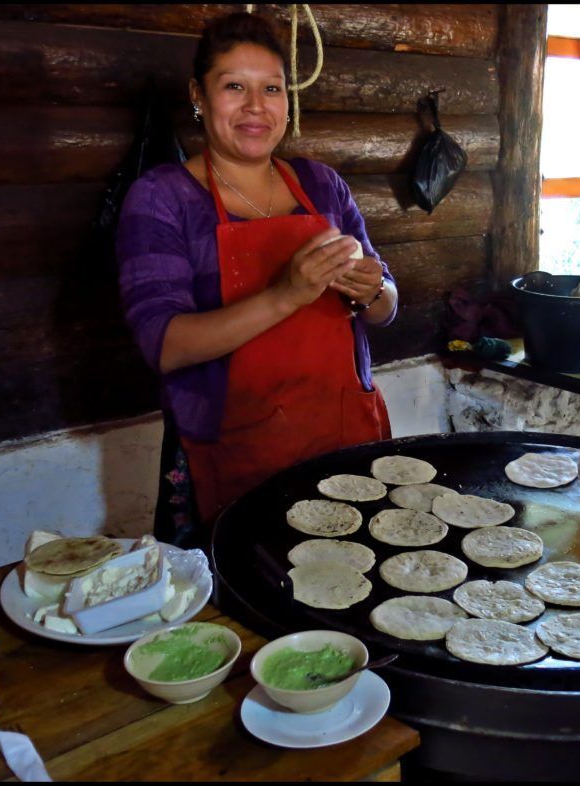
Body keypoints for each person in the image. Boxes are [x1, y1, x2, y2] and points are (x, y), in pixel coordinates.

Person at [117, 13, 397, 547]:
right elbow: (164, 345)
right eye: (234, 87)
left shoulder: (322, 183)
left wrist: (373, 290)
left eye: (271, 88)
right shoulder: (163, 198)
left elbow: (387, 302)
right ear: (198, 96)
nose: (255, 106)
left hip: (341, 434)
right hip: (232, 452)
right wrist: (287, 294)